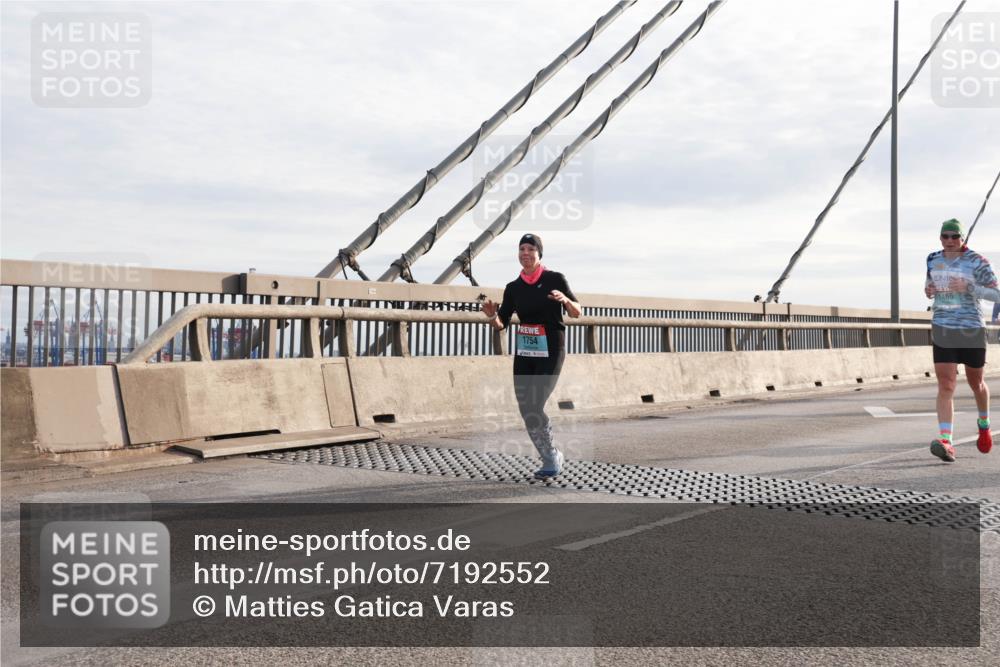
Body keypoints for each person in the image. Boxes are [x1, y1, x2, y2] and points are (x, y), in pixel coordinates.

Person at [482, 234, 581, 478]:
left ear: (539, 254)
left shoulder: (554, 279)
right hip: (526, 352)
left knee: (535, 404)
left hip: (552, 349)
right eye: (522, 249)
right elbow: (501, 323)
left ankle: (551, 457)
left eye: (531, 249)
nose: (525, 253)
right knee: (526, 406)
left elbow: (577, 312)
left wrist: (565, 300)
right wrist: (491, 316)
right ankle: (550, 455)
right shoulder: (513, 288)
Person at [924, 218, 999, 462]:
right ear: (940, 238)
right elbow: (929, 283)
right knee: (946, 385)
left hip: (971, 330)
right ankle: (947, 441)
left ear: (962, 238)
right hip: (943, 327)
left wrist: (969, 287)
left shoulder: (978, 261)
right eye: (945, 236)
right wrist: (929, 289)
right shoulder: (933, 259)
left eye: (954, 236)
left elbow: (996, 293)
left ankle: (984, 425)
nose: (949, 241)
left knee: (976, 383)